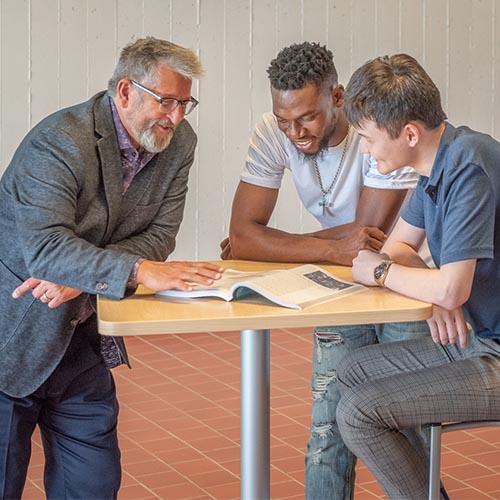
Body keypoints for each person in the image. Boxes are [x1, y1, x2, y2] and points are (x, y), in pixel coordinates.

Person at [0, 37, 223, 499]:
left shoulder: (178, 143)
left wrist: (80, 277)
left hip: (81, 341)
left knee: (94, 486)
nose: (177, 117)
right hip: (12, 340)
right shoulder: (59, 141)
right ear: (125, 91)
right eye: (166, 101)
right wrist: (139, 270)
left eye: (186, 103)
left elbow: (160, 236)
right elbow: (45, 249)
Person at [220, 42, 430, 499]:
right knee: (326, 430)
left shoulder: (377, 130)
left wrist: (275, 245)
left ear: (336, 98)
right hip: (337, 285)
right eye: (283, 119)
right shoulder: (273, 131)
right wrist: (329, 250)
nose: (294, 132)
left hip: (406, 284)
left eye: (307, 118)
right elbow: (241, 236)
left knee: (405, 431)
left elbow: (370, 239)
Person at [335, 53, 500, 499]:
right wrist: (433, 293)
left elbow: (400, 268)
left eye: (368, 139)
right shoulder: (434, 170)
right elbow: (399, 248)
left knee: (358, 413)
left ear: (409, 133)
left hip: (495, 353)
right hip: (481, 339)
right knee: (351, 372)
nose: (365, 150)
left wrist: (415, 281)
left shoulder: (469, 163)